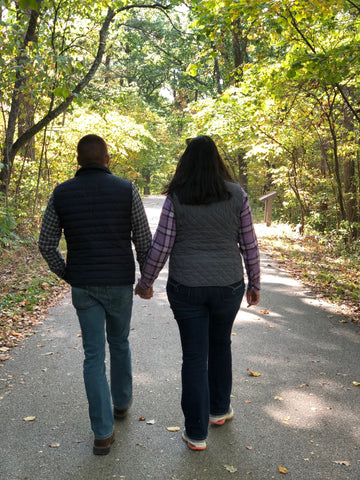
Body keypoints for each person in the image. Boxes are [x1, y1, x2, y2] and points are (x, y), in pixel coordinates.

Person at [135, 135, 260, 451]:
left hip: (186, 287)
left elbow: (162, 246)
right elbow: (249, 244)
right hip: (228, 286)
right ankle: (219, 410)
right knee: (220, 345)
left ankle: (196, 434)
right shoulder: (237, 195)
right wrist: (254, 284)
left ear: (186, 162)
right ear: (218, 161)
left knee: (194, 356)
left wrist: (145, 282)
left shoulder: (177, 196)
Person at [39, 134, 152, 455]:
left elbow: (46, 243)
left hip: (84, 284)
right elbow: (144, 240)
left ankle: (102, 433)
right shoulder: (126, 189)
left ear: (78, 161)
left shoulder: (61, 193)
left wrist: (68, 274)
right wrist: (147, 278)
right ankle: (122, 403)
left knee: (92, 356)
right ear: (107, 160)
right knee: (119, 343)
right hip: (118, 282)